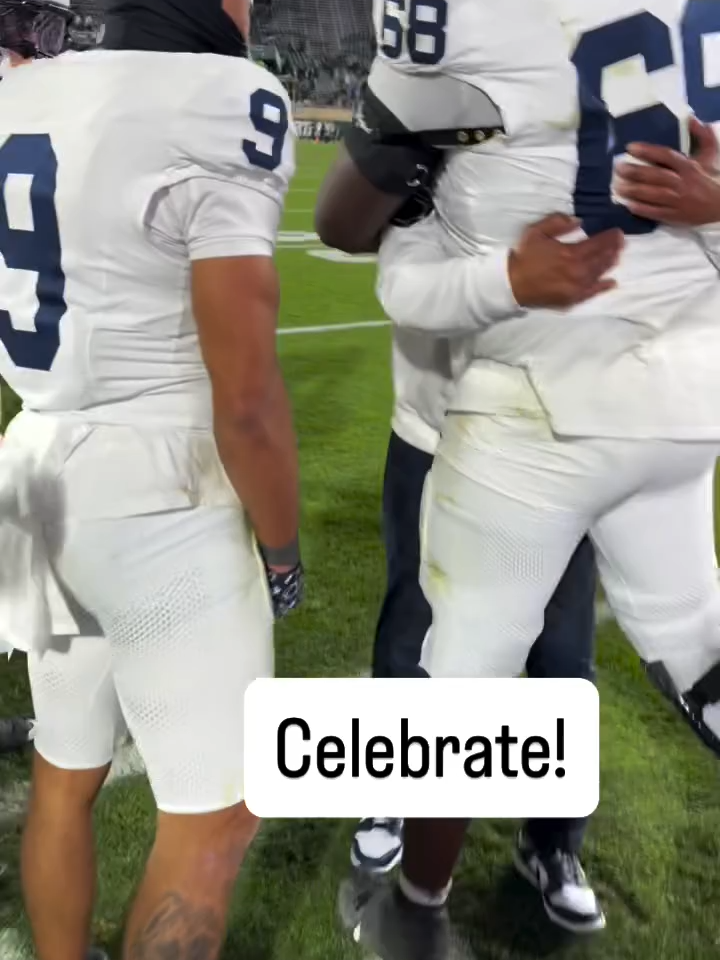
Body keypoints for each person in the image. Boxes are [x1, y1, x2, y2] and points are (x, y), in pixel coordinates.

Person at [321, 0, 720, 956]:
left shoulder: (456, 29)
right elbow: (363, 225)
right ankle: (399, 816)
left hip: (530, 408)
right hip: (483, 405)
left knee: (522, 661)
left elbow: (347, 219)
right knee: (425, 640)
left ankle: (522, 858)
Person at [0, 4, 302, 960]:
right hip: (158, 489)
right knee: (215, 817)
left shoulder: (27, 86)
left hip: (32, 474)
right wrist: (283, 546)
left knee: (64, 769)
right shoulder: (228, 96)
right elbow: (246, 394)